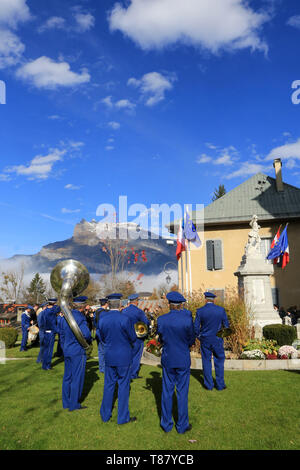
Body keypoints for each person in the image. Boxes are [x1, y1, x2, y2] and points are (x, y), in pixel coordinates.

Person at [157, 291, 195, 434]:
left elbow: (160, 338)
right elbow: (191, 339)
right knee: (182, 392)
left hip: (168, 358)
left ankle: (166, 424)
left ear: (170, 304)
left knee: (166, 391)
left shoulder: (162, 320)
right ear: (181, 305)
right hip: (182, 358)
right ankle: (182, 425)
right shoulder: (186, 320)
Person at [98, 293, 137, 425]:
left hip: (110, 355)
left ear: (108, 304)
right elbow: (132, 337)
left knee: (109, 385)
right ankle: (122, 417)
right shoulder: (125, 319)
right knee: (123, 386)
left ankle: (105, 414)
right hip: (123, 356)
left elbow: (101, 337)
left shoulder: (103, 319)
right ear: (120, 305)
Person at [60, 296, 92, 411]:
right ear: (83, 307)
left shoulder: (65, 317)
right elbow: (87, 334)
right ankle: (74, 404)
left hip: (67, 349)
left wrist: (64, 347)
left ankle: (66, 402)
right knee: (77, 378)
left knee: (67, 377)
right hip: (77, 350)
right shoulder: (80, 317)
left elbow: (61, 334)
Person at [194, 292, 230, 391]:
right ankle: (220, 384)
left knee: (206, 361)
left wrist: (199, 336)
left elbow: (196, 327)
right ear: (213, 300)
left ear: (205, 299)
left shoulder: (200, 311)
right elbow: (226, 326)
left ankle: (209, 385)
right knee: (219, 361)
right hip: (217, 339)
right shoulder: (220, 310)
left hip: (205, 339)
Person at [122, 293, 150, 379]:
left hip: (126, 337)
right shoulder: (139, 311)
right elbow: (146, 322)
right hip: (137, 337)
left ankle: (126, 372)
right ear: (136, 302)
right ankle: (133, 374)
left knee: (127, 355)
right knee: (136, 356)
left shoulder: (124, 311)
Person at [41, 299, 60, 370]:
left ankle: (44, 365)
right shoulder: (52, 311)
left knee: (46, 349)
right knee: (49, 350)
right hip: (51, 331)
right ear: (54, 303)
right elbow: (59, 308)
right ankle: (47, 366)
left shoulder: (45, 311)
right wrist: (58, 331)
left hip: (46, 331)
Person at [94, 298, 109, 374]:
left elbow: (94, 323)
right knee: (105, 350)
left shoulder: (96, 311)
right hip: (103, 333)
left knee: (100, 351)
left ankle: (101, 367)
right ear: (106, 304)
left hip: (97, 331)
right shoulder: (105, 312)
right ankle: (104, 367)